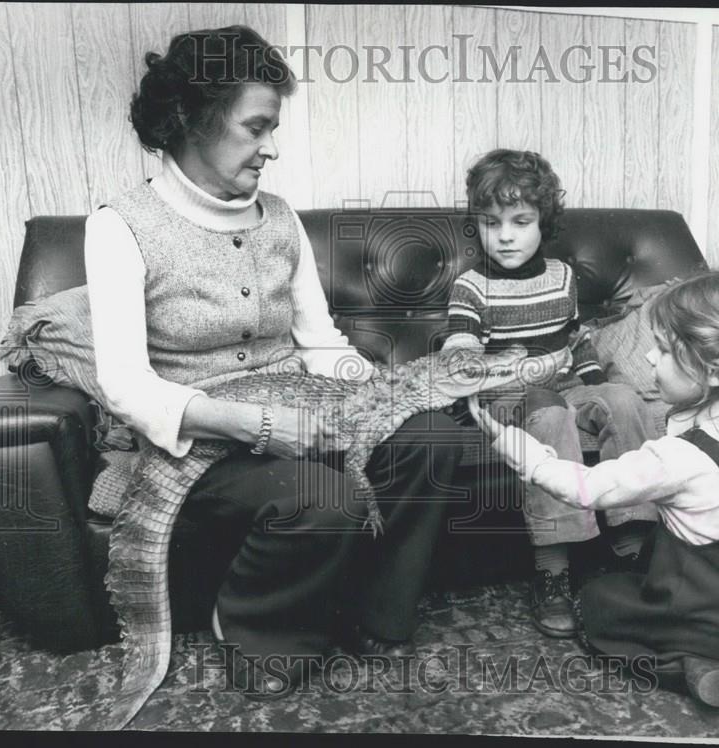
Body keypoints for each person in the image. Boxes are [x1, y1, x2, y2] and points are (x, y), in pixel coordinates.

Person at [84, 26, 464, 698]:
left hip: (302, 412)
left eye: (273, 127)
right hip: (200, 446)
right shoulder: (120, 225)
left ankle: (373, 611)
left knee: (432, 435)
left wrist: (386, 392)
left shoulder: (281, 218)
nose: (272, 147)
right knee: (327, 495)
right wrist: (257, 424)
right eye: (256, 126)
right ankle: (255, 630)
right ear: (190, 122)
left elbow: (320, 346)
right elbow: (125, 386)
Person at [474, 266, 719, 713]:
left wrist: (519, 448)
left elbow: (585, 488)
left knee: (599, 602)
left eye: (662, 350)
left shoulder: (679, 458)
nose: (647, 360)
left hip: (704, 620)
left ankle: (693, 667)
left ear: (716, 372)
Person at [443, 149, 657, 639]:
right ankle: (553, 568)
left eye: (521, 221)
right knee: (549, 411)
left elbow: (577, 342)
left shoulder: (562, 278)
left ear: (544, 222)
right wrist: (466, 361)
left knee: (622, 400)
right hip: (506, 401)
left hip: (563, 388)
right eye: (492, 223)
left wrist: (594, 387)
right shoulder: (471, 287)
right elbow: (461, 352)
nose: (506, 235)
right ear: (478, 226)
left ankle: (634, 550)